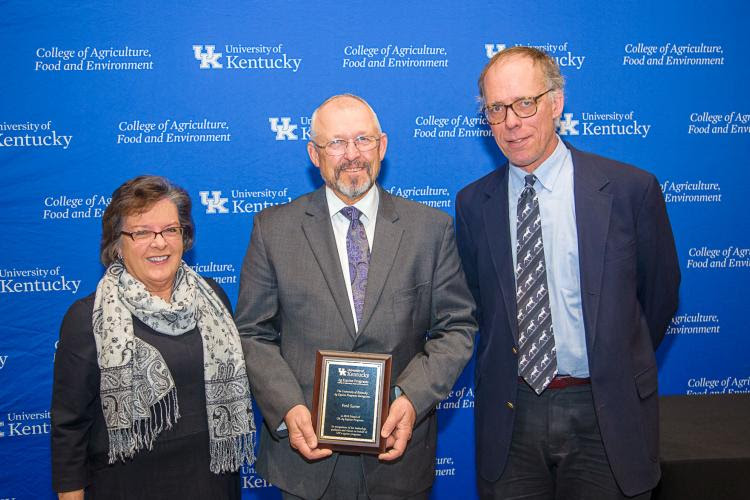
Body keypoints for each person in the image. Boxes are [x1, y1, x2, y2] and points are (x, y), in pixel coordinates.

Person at [455, 47, 680, 499]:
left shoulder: (629, 190)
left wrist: (613, 357)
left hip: (606, 413)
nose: (511, 122)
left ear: (556, 103)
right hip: (512, 414)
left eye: (524, 103)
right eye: (496, 109)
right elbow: (477, 304)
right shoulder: (472, 204)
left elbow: (658, 297)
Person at [235, 93, 477, 499]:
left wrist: (409, 399)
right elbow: (251, 333)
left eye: (363, 140)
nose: (352, 155)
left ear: (382, 145)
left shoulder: (430, 230)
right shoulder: (273, 230)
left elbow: (458, 328)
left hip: (398, 458)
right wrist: (289, 407)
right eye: (336, 143)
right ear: (314, 153)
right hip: (306, 460)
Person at [51, 175, 255, 500]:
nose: (159, 243)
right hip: (127, 485)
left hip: (211, 481)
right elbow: (69, 424)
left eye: (170, 230)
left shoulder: (213, 300)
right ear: (117, 244)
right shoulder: (87, 318)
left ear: (184, 237)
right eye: (142, 232)